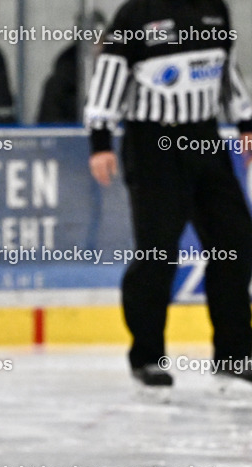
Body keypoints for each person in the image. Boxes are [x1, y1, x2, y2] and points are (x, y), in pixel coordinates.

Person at [84, 0, 252, 389]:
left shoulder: (214, 7)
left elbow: (226, 68)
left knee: (235, 241)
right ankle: (147, 356)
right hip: (152, 142)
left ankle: (234, 352)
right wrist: (100, 141)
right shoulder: (136, 13)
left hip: (204, 136)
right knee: (158, 251)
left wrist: (245, 120)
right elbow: (109, 73)